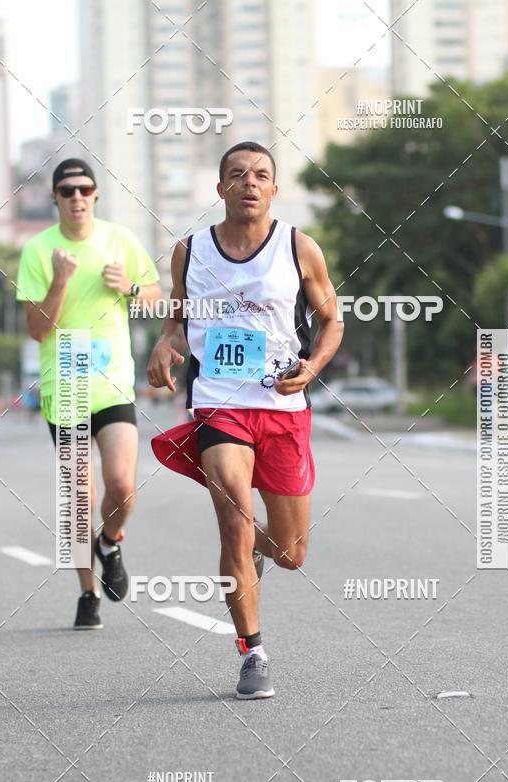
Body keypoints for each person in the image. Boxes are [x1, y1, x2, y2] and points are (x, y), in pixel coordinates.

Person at [147, 141, 343, 699]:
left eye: (260, 175)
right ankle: (252, 651)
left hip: (282, 408)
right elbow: (177, 318)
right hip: (220, 404)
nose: (249, 183)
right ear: (220, 189)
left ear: (274, 189)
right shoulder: (190, 251)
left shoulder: (300, 248)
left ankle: (261, 548)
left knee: (291, 553)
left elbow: (332, 322)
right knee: (233, 517)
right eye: (236, 175)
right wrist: (165, 343)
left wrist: (312, 367)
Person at [16, 158, 161, 629]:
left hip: (113, 378)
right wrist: (60, 280)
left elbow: (158, 296)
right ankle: (87, 591)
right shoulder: (38, 250)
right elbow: (38, 330)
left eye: (84, 189)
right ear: (55, 198)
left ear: (95, 195)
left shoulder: (120, 239)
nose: (76, 197)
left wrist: (133, 285)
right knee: (80, 497)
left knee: (121, 485)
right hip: (68, 382)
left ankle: (110, 542)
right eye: (66, 190)